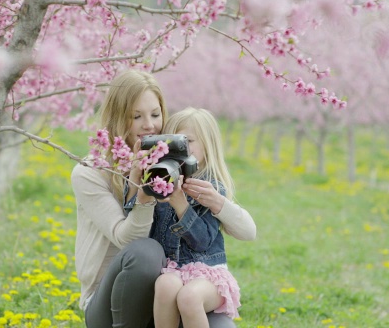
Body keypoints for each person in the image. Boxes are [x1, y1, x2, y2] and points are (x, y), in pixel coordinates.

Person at [70, 70, 256, 327]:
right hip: (112, 303)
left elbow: (248, 231)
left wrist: (218, 203)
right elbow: (128, 240)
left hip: (171, 293)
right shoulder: (90, 172)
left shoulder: (174, 166)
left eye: (155, 114)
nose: (149, 125)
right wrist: (143, 196)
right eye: (136, 116)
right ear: (117, 117)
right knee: (147, 251)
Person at [150, 107, 248, 327]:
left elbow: (202, 242)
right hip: (172, 270)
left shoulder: (210, 188)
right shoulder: (160, 182)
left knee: (189, 297)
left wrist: (181, 205)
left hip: (207, 274)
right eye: (171, 142)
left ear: (207, 145)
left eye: (187, 142)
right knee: (165, 284)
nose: (176, 149)